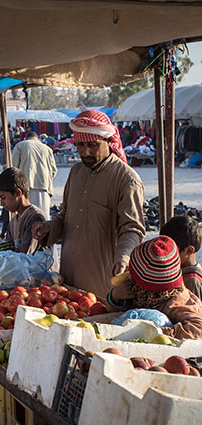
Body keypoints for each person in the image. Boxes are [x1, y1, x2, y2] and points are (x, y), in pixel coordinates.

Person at [32, 110, 145, 299]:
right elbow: (65, 216)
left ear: (109, 141)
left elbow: (132, 228)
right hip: (68, 277)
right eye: (80, 145)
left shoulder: (126, 179)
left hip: (101, 281)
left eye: (93, 145)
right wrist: (48, 228)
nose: (85, 152)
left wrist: (124, 257)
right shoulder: (76, 172)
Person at [108, 236, 202, 339]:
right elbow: (117, 316)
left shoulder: (177, 303)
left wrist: (155, 332)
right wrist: (115, 297)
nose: (129, 276)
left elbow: (197, 329)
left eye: (133, 275)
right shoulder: (138, 292)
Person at [12, 131, 57, 219]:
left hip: (25, 185)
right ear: (37, 138)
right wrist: (46, 179)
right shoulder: (47, 148)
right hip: (44, 186)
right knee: (43, 218)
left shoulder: (20, 145)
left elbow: (14, 167)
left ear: (26, 138)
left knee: (27, 218)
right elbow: (54, 170)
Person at [160, 215, 202, 299]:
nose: (165, 255)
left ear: (189, 251)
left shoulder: (191, 281)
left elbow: (192, 311)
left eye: (171, 251)